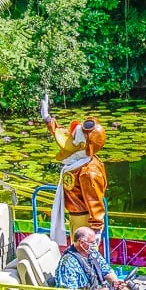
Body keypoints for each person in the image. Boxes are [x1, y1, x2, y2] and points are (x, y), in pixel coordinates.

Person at [40, 94, 108, 246]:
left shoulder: (88, 171)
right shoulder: (78, 160)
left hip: (83, 219)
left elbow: (95, 200)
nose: (68, 142)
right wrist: (48, 119)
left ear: (83, 146)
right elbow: (64, 140)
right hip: (74, 215)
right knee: (76, 250)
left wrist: (96, 229)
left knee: (83, 254)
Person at [55, 226, 125, 290]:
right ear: (82, 243)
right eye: (93, 242)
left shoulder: (93, 253)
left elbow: (106, 270)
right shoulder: (68, 263)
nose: (96, 244)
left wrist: (114, 281)